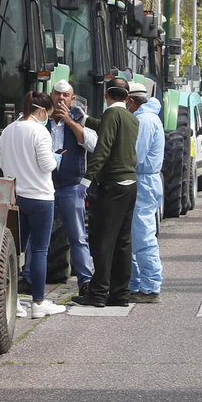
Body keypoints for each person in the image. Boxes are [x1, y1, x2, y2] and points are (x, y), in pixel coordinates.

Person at [0, 91, 67, 318]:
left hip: (14, 196)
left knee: (15, 252)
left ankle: (14, 301)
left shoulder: (7, 131)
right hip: (39, 196)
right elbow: (47, 165)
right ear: (40, 111)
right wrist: (57, 158)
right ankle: (38, 302)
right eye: (47, 113)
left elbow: (2, 162)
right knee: (39, 250)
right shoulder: (40, 131)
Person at [77, 80, 140, 307]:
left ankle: (98, 293)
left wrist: (87, 178)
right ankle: (120, 294)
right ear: (127, 97)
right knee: (123, 241)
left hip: (112, 184)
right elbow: (107, 126)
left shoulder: (112, 114)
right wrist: (85, 120)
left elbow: (103, 147)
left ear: (107, 95)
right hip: (130, 184)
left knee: (103, 240)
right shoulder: (131, 118)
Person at [47, 80, 97, 293]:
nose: (61, 99)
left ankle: (85, 280)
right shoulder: (42, 121)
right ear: (51, 96)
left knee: (77, 236)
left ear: (72, 98)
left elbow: (92, 144)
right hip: (44, 185)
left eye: (65, 95)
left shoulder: (81, 119)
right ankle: (30, 278)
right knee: (37, 237)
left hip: (70, 186)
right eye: (57, 95)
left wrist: (69, 120)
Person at [128, 79, 165, 303]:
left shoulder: (143, 121)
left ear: (130, 101)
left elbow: (135, 156)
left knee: (143, 236)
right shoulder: (147, 117)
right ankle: (137, 283)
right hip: (145, 180)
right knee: (136, 235)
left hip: (143, 180)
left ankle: (150, 286)